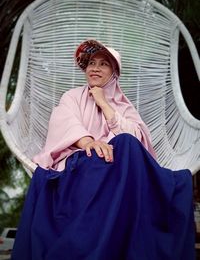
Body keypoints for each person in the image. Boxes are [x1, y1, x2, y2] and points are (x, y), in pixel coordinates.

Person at [11, 40, 195, 260]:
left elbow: (138, 142)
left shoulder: (124, 107)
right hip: (82, 165)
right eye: (91, 63)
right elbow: (64, 122)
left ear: (114, 72)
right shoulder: (72, 97)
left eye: (103, 64)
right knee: (122, 147)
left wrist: (105, 104)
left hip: (117, 171)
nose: (95, 68)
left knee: (126, 142)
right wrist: (88, 142)